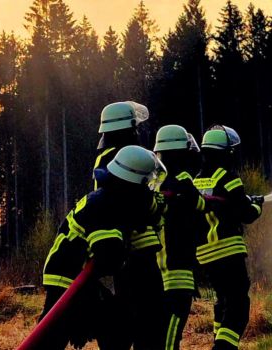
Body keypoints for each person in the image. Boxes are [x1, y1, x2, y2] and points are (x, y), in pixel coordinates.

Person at [40, 146, 164, 349]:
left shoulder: (111, 198)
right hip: (67, 279)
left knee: (116, 325)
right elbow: (108, 256)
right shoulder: (105, 206)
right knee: (52, 337)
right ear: (134, 183)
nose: (147, 189)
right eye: (145, 183)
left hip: (77, 277)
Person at [193, 126, 264, 350]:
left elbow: (228, 204)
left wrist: (244, 200)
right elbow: (246, 214)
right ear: (227, 152)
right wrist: (257, 205)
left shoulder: (197, 181)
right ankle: (223, 348)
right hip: (228, 249)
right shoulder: (228, 177)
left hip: (205, 254)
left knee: (223, 300)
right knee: (238, 305)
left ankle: (218, 339)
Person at [153, 125, 206, 349]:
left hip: (161, 266)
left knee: (166, 323)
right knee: (174, 323)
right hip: (176, 267)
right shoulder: (182, 179)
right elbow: (201, 206)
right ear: (180, 152)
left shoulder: (155, 182)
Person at [93, 101, 149, 190]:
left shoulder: (105, 155)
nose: (137, 133)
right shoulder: (115, 156)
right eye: (134, 129)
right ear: (126, 131)